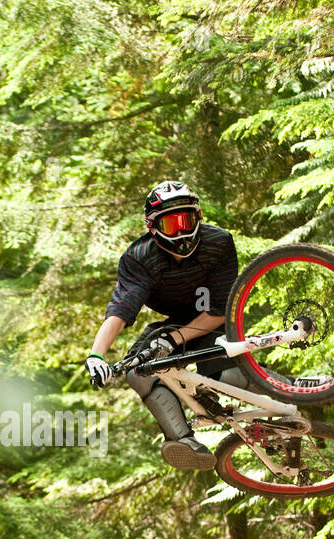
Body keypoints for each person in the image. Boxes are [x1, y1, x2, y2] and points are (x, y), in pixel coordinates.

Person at [84, 180, 256, 470]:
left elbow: (219, 310)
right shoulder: (140, 258)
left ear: (198, 217)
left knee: (229, 379)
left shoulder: (219, 243)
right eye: (171, 225)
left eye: (186, 221)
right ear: (153, 227)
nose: (182, 233)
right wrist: (96, 355)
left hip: (212, 322)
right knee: (139, 372)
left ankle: (287, 387)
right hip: (173, 323)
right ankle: (184, 443)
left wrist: (176, 338)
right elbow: (121, 310)